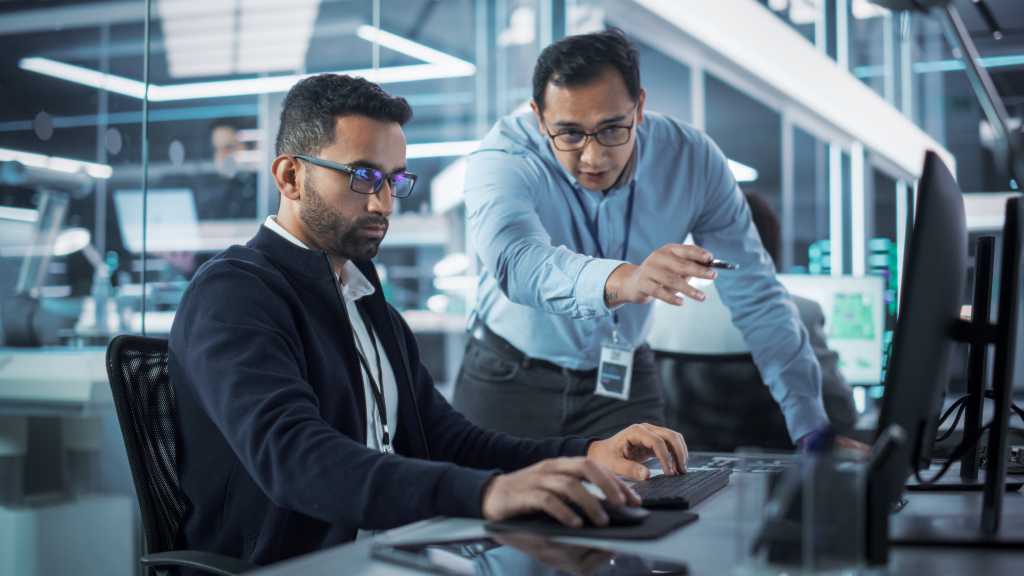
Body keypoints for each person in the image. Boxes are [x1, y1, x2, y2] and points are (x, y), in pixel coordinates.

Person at [169, 73, 688, 569]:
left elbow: (449, 440)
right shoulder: (234, 294)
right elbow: (296, 459)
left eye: (395, 180)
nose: (383, 203)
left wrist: (588, 453)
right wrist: (487, 494)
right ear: (289, 175)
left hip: (398, 553)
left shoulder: (367, 302)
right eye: (363, 176)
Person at [456, 28, 832, 445]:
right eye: (570, 134)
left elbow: (756, 292)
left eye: (613, 128)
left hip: (621, 380)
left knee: (657, 503)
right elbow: (517, 261)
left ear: (639, 108)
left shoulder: (691, 159)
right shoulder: (504, 157)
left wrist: (811, 428)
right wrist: (626, 279)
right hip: (507, 376)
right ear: (538, 117)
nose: (593, 157)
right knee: (490, 505)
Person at [650, 192, 859, 451]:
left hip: (690, 472)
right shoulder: (800, 312)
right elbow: (841, 414)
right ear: (769, 246)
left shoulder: (662, 314)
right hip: (778, 478)